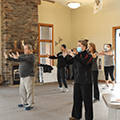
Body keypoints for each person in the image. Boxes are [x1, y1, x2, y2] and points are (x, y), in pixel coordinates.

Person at [63, 39, 93, 120]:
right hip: (77, 81)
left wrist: (75, 55)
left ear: (84, 47)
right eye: (78, 45)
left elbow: (84, 62)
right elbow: (68, 62)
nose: (78, 47)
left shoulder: (89, 56)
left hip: (86, 82)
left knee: (87, 102)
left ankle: (88, 118)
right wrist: (65, 56)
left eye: (79, 45)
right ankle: (76, 116)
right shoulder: (77, 56)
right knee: (77, 99)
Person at [4, 44, 35, 110]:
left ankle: (30, 104)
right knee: (22, 91)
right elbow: (16, 59)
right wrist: (8, 58)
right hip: (22, 76)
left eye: (26, 49)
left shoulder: (31, 56)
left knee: (29, 91)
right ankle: (23, 103)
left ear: (29, 50)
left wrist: (18, 57)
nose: (24, 50)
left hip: (28, 76)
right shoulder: (23, 56)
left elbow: (24, 59)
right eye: (24, 49)